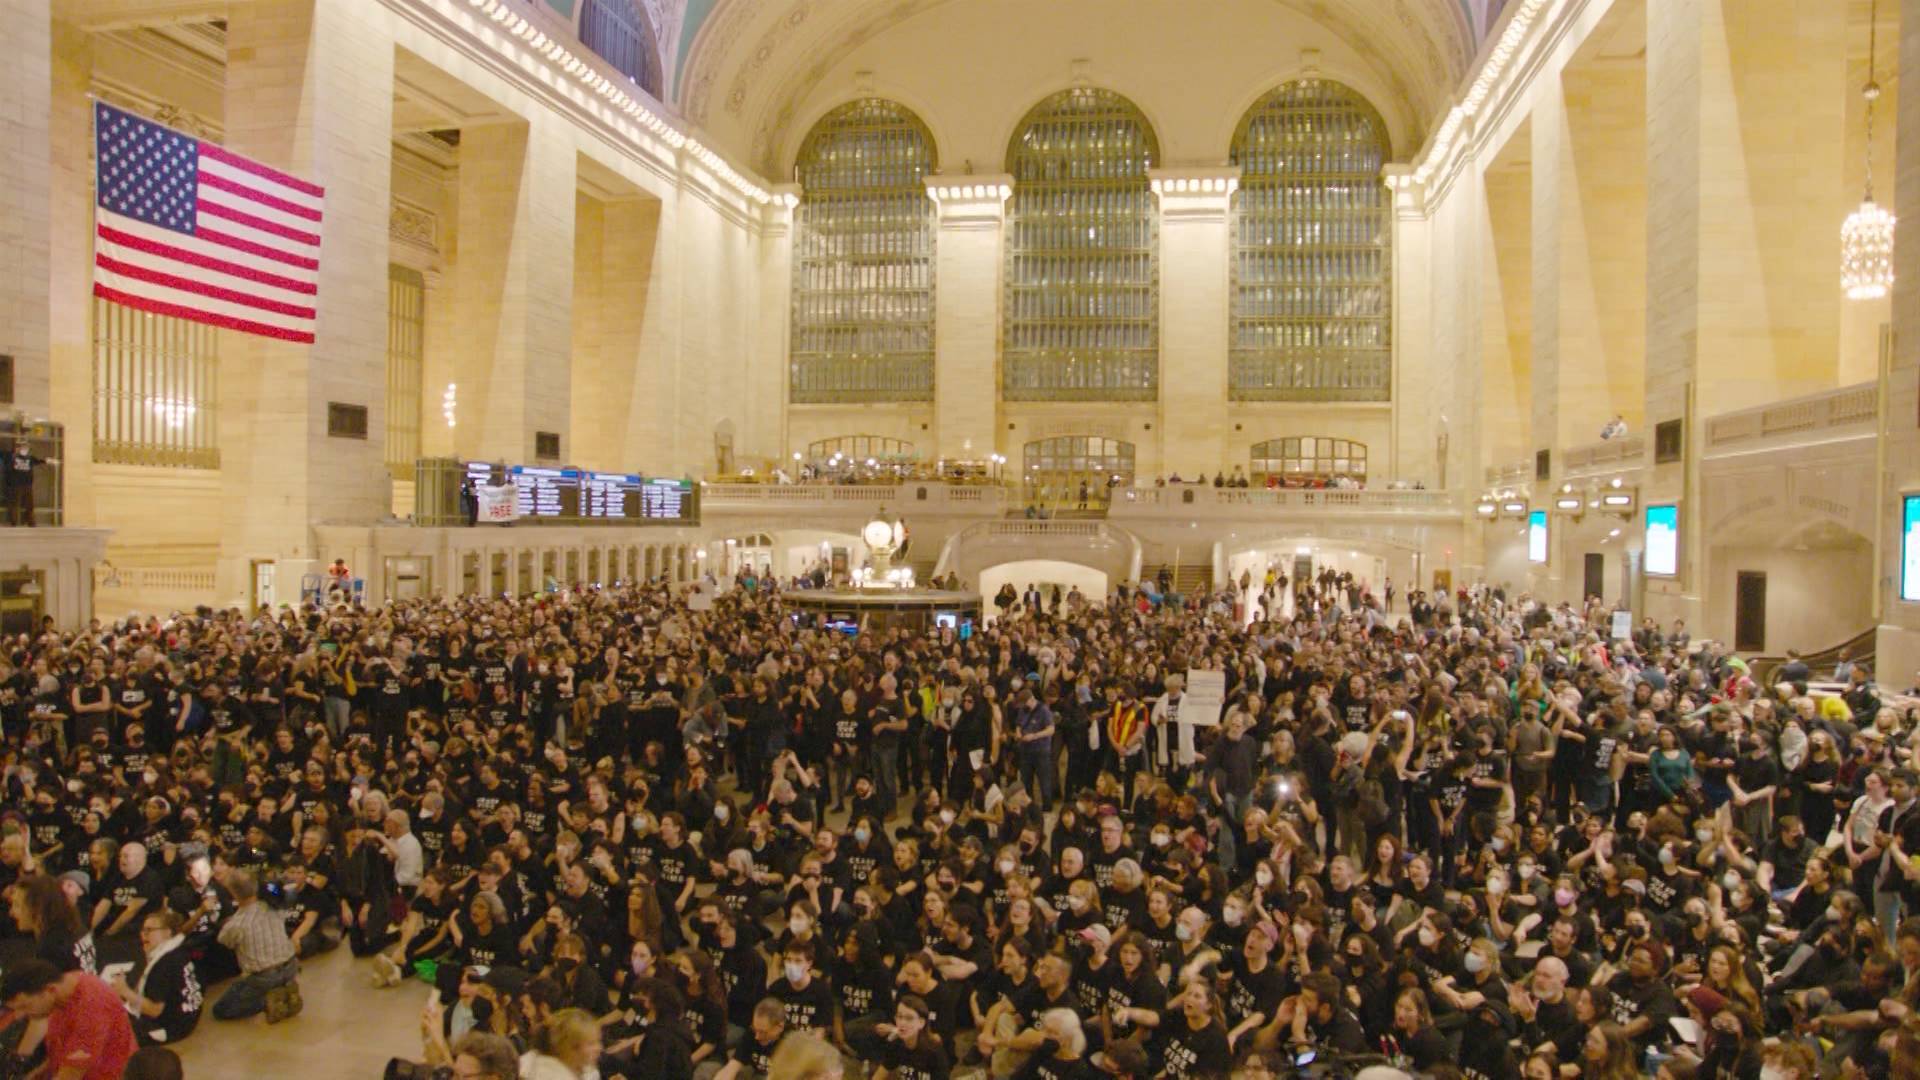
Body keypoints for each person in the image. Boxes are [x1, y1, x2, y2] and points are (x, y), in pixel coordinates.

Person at [1, 958, 137, 1080]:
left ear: (50, 990)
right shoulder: (63, 992)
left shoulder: (90, 1009)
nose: (19, 1016)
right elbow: (62, 1055)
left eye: (25, 1006)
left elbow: (70, 1075)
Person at [211, 869, 301, 1022]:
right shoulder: (273, 905)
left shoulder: (237, 924)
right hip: (290, 965)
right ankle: (283, 989)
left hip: (263, 976)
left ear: (233, 893)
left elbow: (224, 941)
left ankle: (267, 1000)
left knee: (220, 1010)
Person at [107, 910, 202, 1047]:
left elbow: (154, 1010)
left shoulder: (164, 964)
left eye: (150, 930)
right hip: (189, 1015)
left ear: (168, 932)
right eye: (143, 930)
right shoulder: (178, 949)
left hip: (171, 1028)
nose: (143, 934)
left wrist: (124, 991)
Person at [522, 1007, 604, 1080]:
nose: (599, 1048)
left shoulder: (589, 1070)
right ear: (569, 1046)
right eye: (591, 1043)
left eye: (598, 1041)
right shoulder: (541, 1070)